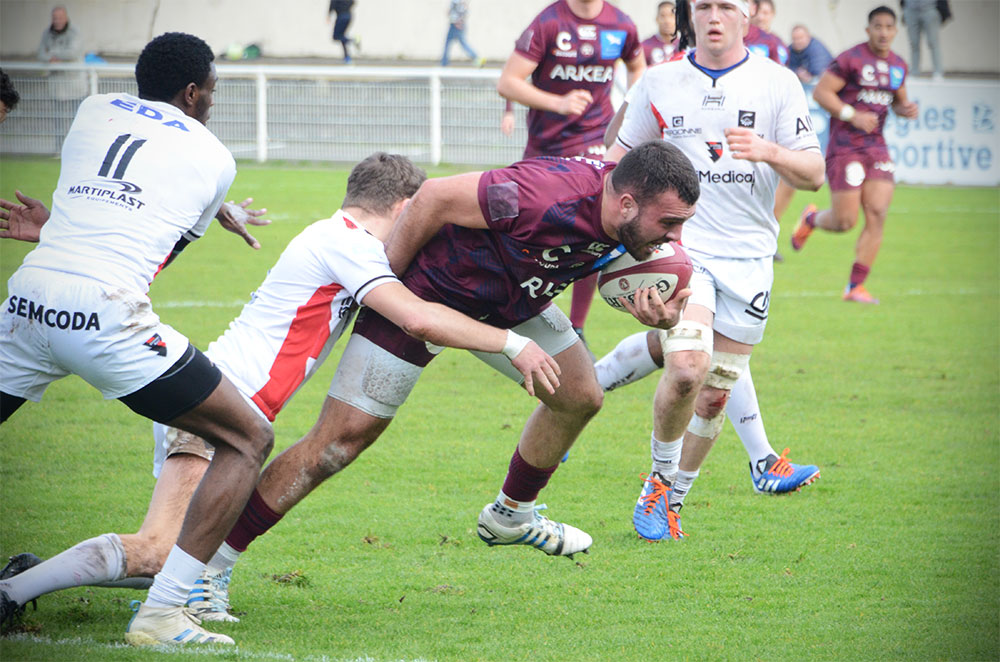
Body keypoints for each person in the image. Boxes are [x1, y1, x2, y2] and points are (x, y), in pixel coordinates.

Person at [0, 153, 560, 630]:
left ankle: (36, 576)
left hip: (221, 402)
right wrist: (512, 343)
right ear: (404, 206)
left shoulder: (337, 238)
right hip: (217, 407)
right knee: (163, 549)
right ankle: (15, 591)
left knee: (176, 551)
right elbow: (416, 317)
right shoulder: (346, 243)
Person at [190, 141, 699, 611]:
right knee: (337, 445)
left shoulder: (630, 222)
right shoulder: (542, 195)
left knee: (580, 395)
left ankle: (511, 515)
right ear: (626, 204)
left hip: (511, 301)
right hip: (430, 292)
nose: (675, 237)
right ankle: (207, 567)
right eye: (670, 222)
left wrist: (661, 316)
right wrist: (387, 282)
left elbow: (615, 267)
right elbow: (433, 196)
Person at [0, 32, 281, 646]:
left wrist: (59, 230)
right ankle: (164, 614)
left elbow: (109, 194)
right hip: (104, 316)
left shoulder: (92, 108)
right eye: (212, 90)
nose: (213, 101)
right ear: (192, 92)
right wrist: (219, 206)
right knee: (248, 438)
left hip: (28, 296)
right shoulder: (215, 157)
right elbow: (157, 258)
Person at [602, 0, 825, 542]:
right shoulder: (660, 82)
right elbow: (615, 164)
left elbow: (814, 172)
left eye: (726, 5)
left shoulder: (777, 83)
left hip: (750, 258)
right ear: (690, 14)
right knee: (686, 368)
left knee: (716, 391)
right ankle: (658, 479)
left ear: (748, 15)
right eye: (703, 5)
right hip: (683, 249)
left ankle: (672, 498)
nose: (714, 16)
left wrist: (769, 151)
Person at [496, 0, 646, 344]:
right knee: (528, 233)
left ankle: (576, 327)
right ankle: (517, 312)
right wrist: (558, 103)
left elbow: (639, 68)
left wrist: (629, 111)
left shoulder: (621, 24)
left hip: (595, 141)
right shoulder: (549, 22)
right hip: (545, 148)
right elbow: (508, 83)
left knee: (595, 230)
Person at [791, 6, 918, 304]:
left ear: (895, 31)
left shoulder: (898, 65)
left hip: (877, 147)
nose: (883, 32)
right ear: (868, 29)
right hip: (845, 146)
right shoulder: (851, 58)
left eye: (889, 27)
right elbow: (822, 93)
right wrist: (852, 115)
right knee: (845, 221)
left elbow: (898, 102)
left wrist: (906, 109)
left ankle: (855, 286)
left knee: (877, 213)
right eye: (878, 26)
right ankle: (811, 218)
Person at [37, 5, 86, 153]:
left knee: (76, 118)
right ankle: (59, 149)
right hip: (56, 85)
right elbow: (41, 53)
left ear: (66, 18)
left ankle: (77, 148)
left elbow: (72, 52)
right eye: (55, 18)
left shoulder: (75, 32)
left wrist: (53, 54)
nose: (57, 21)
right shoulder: (47, 33)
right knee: (57, 118)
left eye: (60, 17)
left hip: (74, 84)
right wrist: (53, 57)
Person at [901, 0, 943, 80]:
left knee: (933, 42)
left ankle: (938, 71)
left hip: (929, 8)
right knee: (914, 43)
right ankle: (914, 71)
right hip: (910, 9)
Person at [441, 0, 485, 67]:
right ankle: (444, 62)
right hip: (457, 24)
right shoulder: (460, 2)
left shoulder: (456, 2)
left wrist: (458, 22)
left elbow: (457, 11)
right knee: (457, 43)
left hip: (456, 25)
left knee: (456, 43)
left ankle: (444, 63)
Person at [642, 2, 680, 67]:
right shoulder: (645, 46)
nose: (667, 21)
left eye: (671, 16)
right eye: (663, 16)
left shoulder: (685, 47)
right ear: (657, 19)